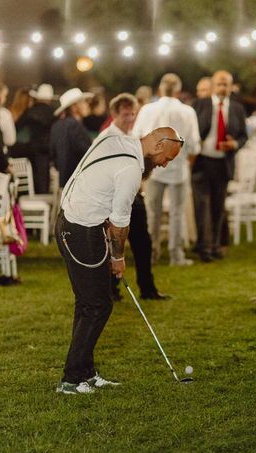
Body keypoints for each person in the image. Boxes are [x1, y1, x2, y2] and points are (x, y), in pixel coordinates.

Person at [54, 125, 183, 394]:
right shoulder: (131, 169)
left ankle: (86, 373)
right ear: (158, 145)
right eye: (167, 159)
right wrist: (118, 257)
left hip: (73, 222)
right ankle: (71, 379)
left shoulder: (116, 139)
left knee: (89, 304)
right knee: (98, 306)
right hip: (80, 229)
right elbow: (120, 223)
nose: (163, 165)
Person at [104, 92, 170, 300]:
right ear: (114, 114)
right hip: (116, 198)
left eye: (133, 114)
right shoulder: (107, 138)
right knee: (114, 244)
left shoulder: (133, 136)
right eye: (126, 115)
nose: (130, 118)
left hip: (134, 195)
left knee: (143, 243)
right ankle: (111, 288)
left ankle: (147, 287)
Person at [133, 73, 201, 266]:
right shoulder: (187, 112)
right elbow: (195, 145)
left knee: (152, 212)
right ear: (178, 90)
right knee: (177, 212)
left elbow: (137, 137)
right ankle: (176, 255)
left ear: (160, 89)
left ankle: (151, 253)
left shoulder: (147, 110)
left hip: (153, 168)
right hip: (178, 168)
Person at [192, 70, 248, 262]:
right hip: (201, 162)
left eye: (226, 84)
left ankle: (215, 246)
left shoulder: (238, 109)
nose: (223, 88)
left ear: (231, 87)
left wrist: (234, 144)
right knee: (201, 206)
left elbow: (243, 136)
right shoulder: (201, 104)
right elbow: (190, 131)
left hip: (223, 163)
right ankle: (203, 248)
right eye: (219, 84)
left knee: (218, 207)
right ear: (213, 85)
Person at [16, 83, 56, 194]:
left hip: (32, 148)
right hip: (47, 149)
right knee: (44, 177)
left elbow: (17, 127)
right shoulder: (54, 112)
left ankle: (33, 196)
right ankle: (43, 197)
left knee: (33, 175)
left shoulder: (30, 111)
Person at [49, 88, 93, 187]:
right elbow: (86, 153)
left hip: (65, 181)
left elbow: (52, 152)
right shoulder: (75, 125)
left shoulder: (57, 125)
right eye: (83, 102)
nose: (87, 105)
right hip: (79, 181)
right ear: (74, 107)